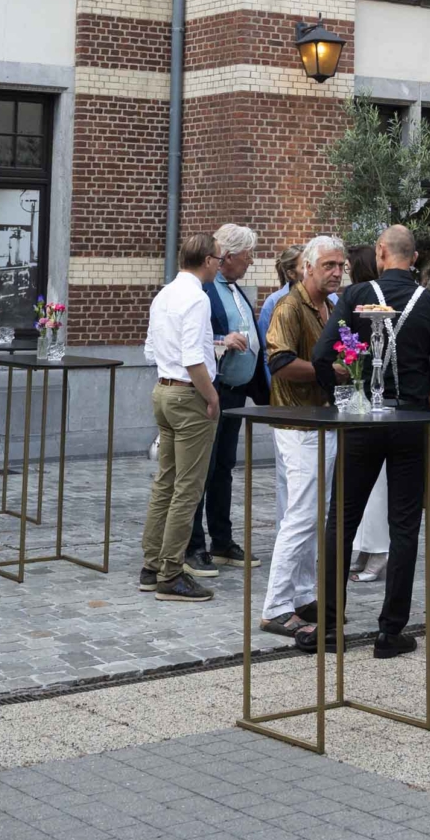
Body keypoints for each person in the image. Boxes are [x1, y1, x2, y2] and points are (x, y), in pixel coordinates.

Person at [315, 223, 430, 658]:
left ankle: (329, 627)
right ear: (414, 259)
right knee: (404, 526)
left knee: (342, 520)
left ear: (380, 253)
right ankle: (389, 631)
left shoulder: (357, 296)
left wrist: (340, 392)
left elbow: (322, 354)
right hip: (412, 419)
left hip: (363, 420)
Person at [259, 236, 347, 640]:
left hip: (320, 419)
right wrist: (329, 371)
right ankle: (276, 606)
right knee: (301, 514)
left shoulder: (327, 306)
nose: (337, 272)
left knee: (316, 513)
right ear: (307, 268)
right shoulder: (289, 306)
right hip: (297, 423)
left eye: (340, 266)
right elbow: (278, 362)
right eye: (329, 265)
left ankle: (303, 594)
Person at [140, 232, 221, 603]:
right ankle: (171, 573)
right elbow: (192, 358)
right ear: (206, 261)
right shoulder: (197, 298)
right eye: (218, 258)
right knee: (188, 488)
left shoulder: (165, 294)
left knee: (166, 483)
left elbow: (150, 349)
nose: (219, 265)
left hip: (163, 389)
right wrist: (211, 395)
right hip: (188, 395)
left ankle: (151, 566)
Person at [186, 223, 265, 578]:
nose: (252, 261)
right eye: (248, 255)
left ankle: (221, 540)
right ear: (228, 257)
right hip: (212, 393)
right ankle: (193, 545)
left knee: (223, 469)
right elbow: (197, 340)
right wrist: (223, 339)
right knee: (202, 470)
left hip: (236, 392)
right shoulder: (205, 288)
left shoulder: (234, 287)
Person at [338, 243, 393, 580]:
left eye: (345, 268)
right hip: (359, 395)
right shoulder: (353, 302)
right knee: (360, 484)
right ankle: (365, 547)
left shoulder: (371, 305)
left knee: (377, 486)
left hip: (378, 396)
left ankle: (379, 550)